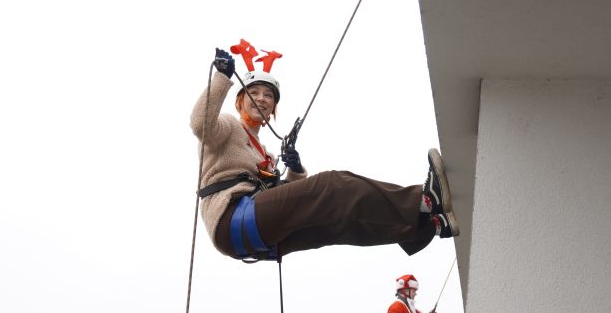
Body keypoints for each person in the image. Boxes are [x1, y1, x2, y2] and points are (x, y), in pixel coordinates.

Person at [190, 49, 459, 261]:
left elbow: (287, 198)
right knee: (333, 185)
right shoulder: (227, 127)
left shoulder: (266, 153)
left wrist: (295, 170)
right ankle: (423, 202)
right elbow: (200, 124)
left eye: (268, 95)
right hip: (232, 218)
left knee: (339, 221)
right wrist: (222, 78)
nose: (261, 98)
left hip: (254, 231)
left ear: (273, 108)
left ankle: (427, 227)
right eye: (254, 93)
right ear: (240, 100)